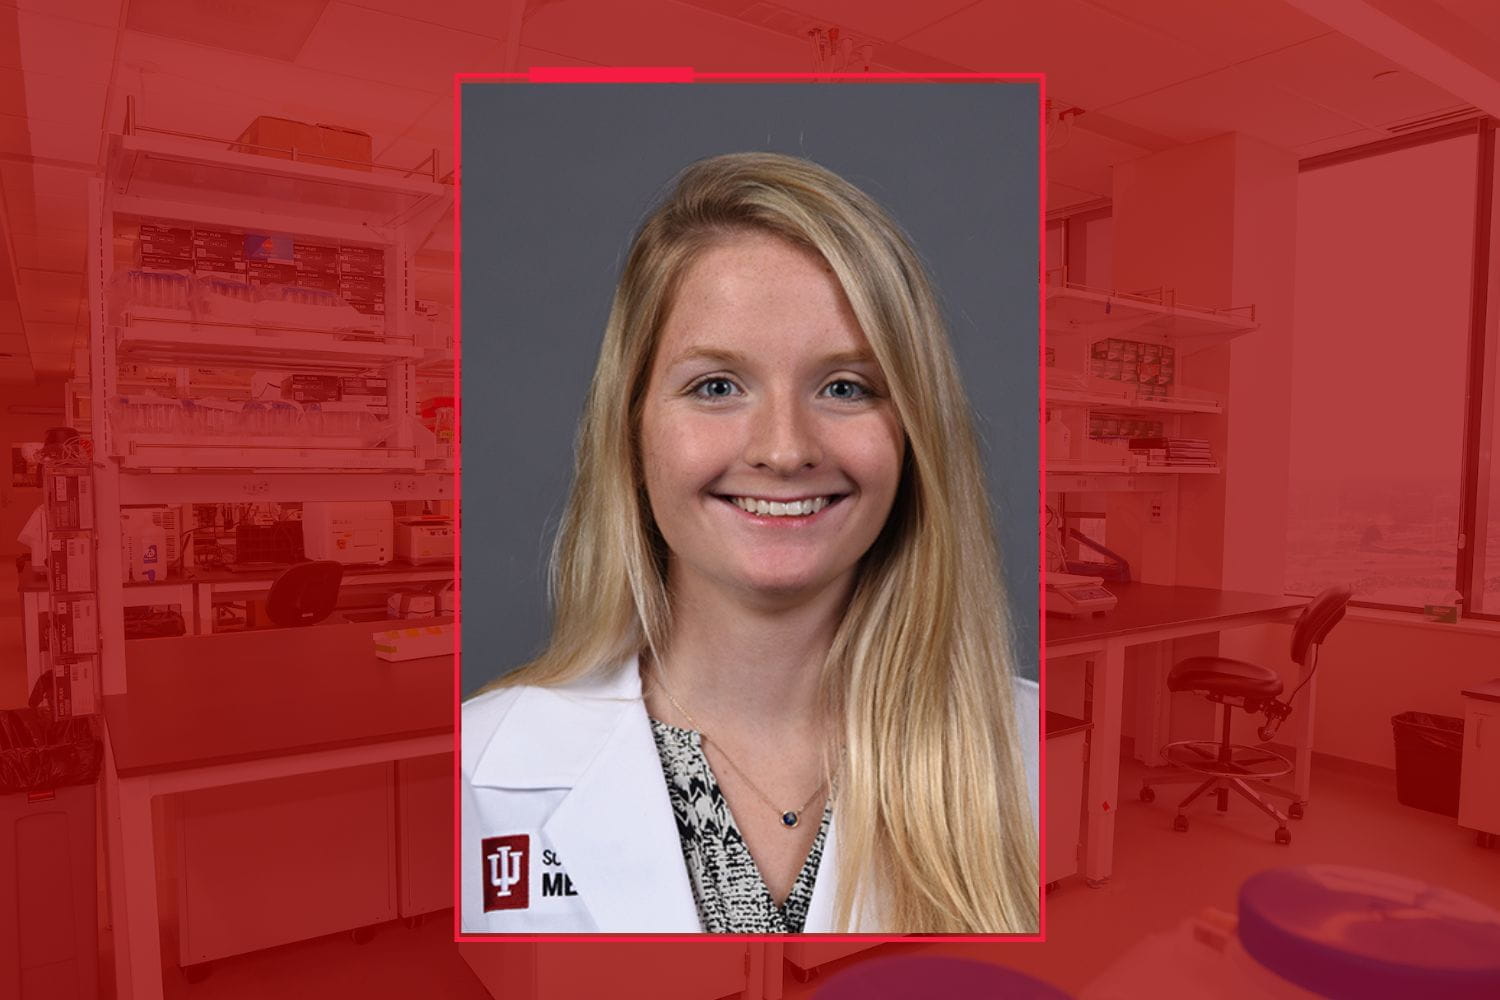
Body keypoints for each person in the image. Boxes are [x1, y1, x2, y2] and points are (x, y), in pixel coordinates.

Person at [462, 151, 1038, 934]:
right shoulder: (480, 774)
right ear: (632, 430)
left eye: (846, 387)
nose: (783, 449)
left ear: (913, 434)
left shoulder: (1036, 759)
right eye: (717, 386)